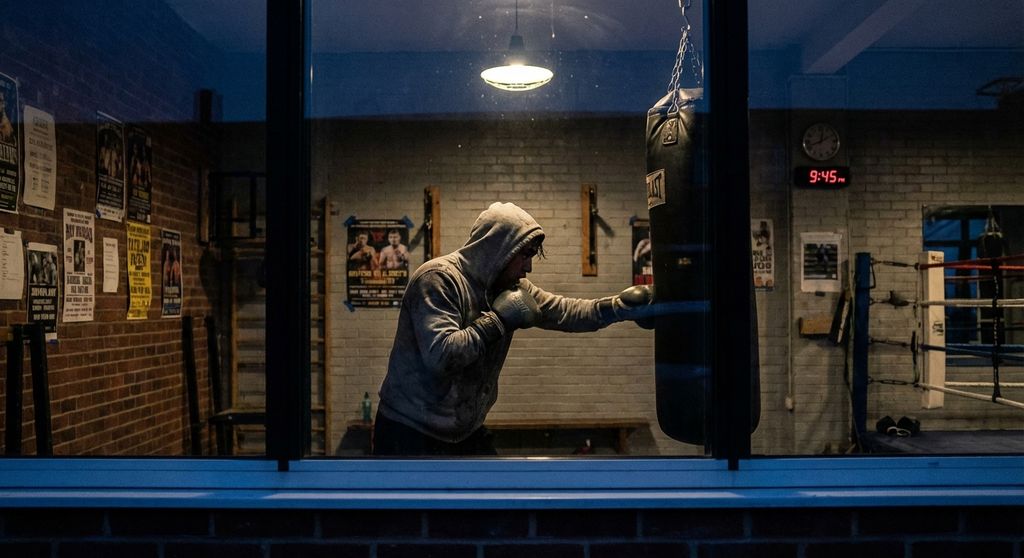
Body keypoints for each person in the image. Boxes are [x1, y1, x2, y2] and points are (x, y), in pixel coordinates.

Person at [373, 201, 658, 456]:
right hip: (409, 431)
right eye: (524, 255)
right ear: (498, 249)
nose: (528, 268)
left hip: (464, 432)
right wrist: (496, 321)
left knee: (496, 496)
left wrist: (618, 307)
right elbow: (442, 356)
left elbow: (566, 312)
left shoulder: (509, 287)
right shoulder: (438, 279)